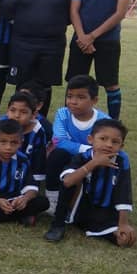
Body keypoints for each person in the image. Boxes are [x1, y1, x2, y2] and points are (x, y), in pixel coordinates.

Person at [65, 0, 135, 120]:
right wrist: (82, 36)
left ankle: (113, 123)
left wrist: (92, 36)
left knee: (110, 83)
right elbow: (74, 11)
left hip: (108, 39)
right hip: (80, 39)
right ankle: (70, 122)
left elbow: (120, 13)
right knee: (74, 83)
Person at [0, 0, 70, 118]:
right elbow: (8, 9)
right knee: (22, 83)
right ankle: (18, 118)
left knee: (45, 84)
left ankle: (40, 120)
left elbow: (73, 13)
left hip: (52, 45)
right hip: (23, 43)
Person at [45, 119, 135, 246]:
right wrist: (94, 163)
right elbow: (67, 182)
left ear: (121, 146)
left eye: (115, 142)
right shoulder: (82, 157)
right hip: (79, 206)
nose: (109, 145)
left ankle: (106, 230)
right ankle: (58, 224)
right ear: (90, 139)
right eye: (103, 138)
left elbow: (123, 191)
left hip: (104, 211)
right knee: (71, 178)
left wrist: (123, 224)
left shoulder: (122, 160)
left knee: (124, 241)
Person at [44, 74, 110, 210]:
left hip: (91, 160)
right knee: (57, 154)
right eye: (69, 96)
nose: (73, 101)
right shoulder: (63, 114)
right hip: (71, 156)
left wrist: (86, 152)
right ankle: (52, 197)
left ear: (94, 100)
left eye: (80, 97)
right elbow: (58, 141)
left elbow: (104, 150)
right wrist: (88, 149)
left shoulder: (104, 122)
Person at [0, 119, 49, 226]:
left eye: (14, 142)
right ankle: (20, 217)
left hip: (13, 198)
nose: (8, 147)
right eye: (3, 142)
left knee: (43, 202)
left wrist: (24, 199)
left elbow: (31, 186)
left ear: (21, 142)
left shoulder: (23, 159)